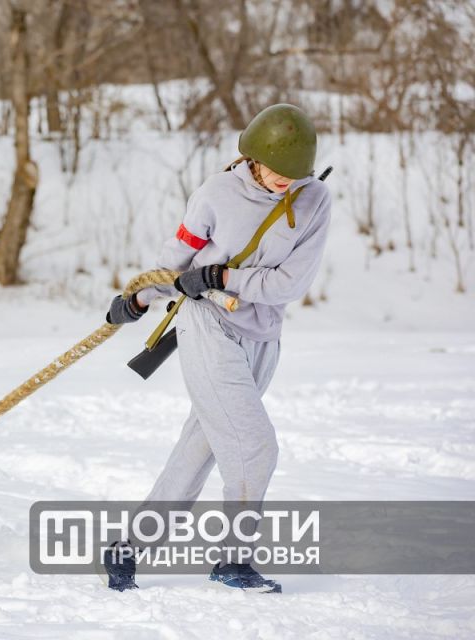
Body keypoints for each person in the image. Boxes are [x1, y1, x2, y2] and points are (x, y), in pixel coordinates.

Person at [104, 104, 332, 593]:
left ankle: (128, 546)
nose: (285, 183)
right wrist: (138, 298)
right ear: (251, 157)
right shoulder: (215, 194)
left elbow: (288, 284)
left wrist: (225, 276)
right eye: (277, 172)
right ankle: (233, 560)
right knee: (255, 448)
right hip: (209, 326)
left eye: (296, 175)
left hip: (263, 338)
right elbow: (177, 265)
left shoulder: (315, 201)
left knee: (200, 450)